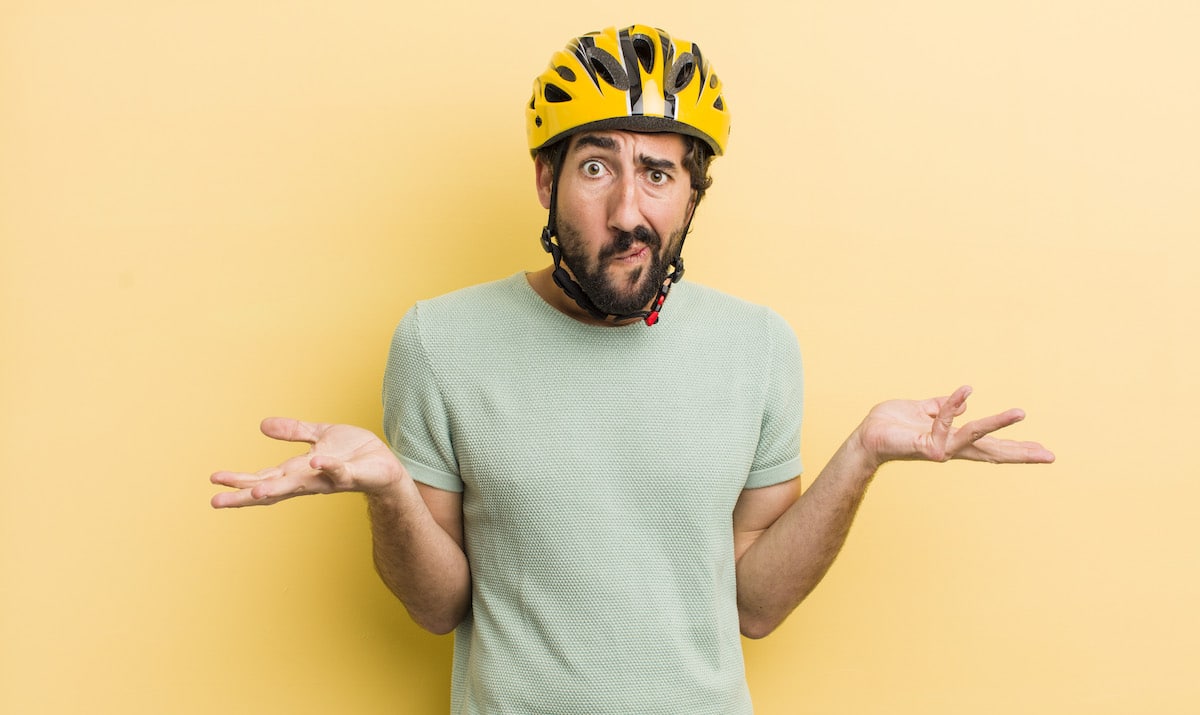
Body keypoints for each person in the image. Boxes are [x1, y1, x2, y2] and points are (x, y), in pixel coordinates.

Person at [211, 24, 1054, 714]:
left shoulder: (759, 347)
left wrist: (862, 453)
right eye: (595, 167)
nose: (628, 210)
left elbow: (754, 603)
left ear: (691, 196)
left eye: (657, 173)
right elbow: (438, 607)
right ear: (546, 179)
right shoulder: (439, 341)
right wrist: (391, 490)